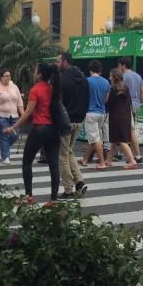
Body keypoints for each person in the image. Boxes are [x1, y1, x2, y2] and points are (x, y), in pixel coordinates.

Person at [4, 63, 61, 203]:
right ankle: (53, 200)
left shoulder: (35, 90)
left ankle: (29, 196)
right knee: (54, 164)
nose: (34, 73)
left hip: (40, 128)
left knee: (27, 162)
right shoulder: (54, 88)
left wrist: (14, 127)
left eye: (35, 71)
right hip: (54, 129)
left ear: (40, 74)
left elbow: (28, 112)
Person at [56, 51, 89, 197]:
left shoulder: (62, 79)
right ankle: (79, 182)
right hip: (79, 120)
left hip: (65, 121)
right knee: (68, 151)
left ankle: (68, 189)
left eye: (58, 61)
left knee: (62, 155)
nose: (57, 64)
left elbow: (58, 103)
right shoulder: (84, 79)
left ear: (65, 62)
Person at [106, 68, 139, 169]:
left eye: (110, 76)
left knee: (121, 141)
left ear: (114, 78)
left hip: (116, 117)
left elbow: (109, 104)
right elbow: (129, 103)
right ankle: (109, 159)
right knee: (114, 140)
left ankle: (132, 161)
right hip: (125, 116)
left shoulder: (113, 90)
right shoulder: (126, 88)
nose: (109, 77)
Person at [82, 60, 110, 171]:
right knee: (94, 138)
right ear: (100, 70)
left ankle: (102, 162)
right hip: (102, 112)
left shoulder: (87, 81)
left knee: (95, 139)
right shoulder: (106, 82)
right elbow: (106, 99)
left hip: (90, 112)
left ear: (90, 70)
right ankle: (85, 159)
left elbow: (83, 97)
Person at [0, 68, 23, 164]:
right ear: (1, 77)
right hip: (1, 115)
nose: (8, 77)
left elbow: (19, 101)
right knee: (4, 135)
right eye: (6, 76)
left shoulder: (14, 87)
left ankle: (3, 145)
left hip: (14, 115)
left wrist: (23, 114)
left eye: (9, 75)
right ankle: (6, 157)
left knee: (15, 135)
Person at [118, 56, 143, 163]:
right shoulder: (138, 76)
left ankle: (137, 155)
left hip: (126, 105)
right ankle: (120, 153)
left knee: (130, 130)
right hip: (135, 104)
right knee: (127, 129)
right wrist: (139, 101)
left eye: (119, 65)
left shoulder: (123, 76)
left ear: (123, 66)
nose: (118, 67)